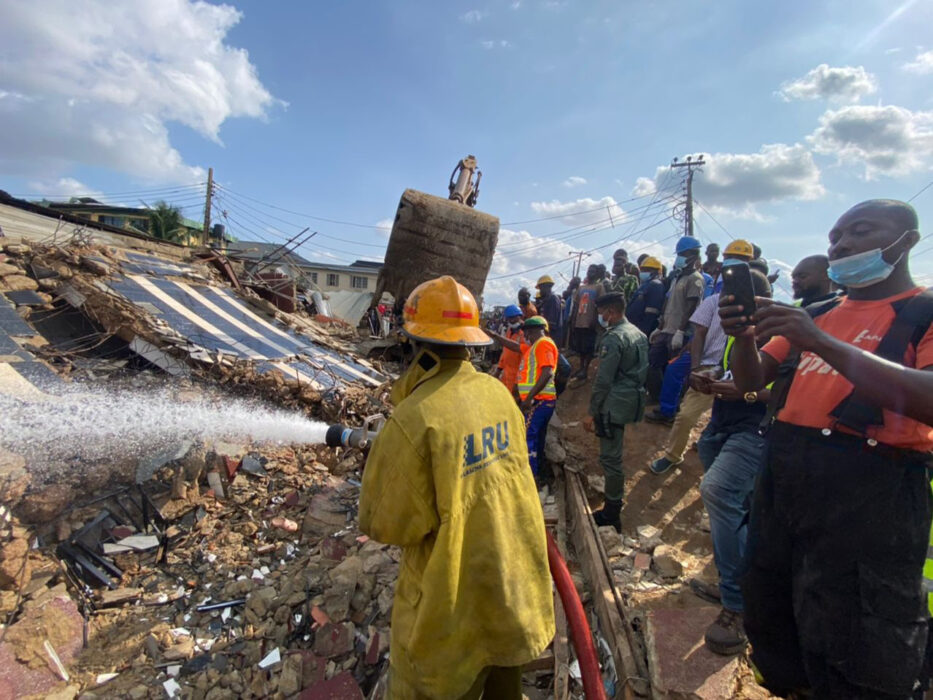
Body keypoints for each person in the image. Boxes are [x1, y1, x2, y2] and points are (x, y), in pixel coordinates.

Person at [720, 199, 933, 698]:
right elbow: (751, 384)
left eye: (860, 231)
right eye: (835, 236)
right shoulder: (816, 312)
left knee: (858, 634)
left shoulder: (922, 310)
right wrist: (744, 339)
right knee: (774, 606)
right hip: (786, 481)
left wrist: (821, 344)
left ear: (907, 241)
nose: (841, 244)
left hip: (871, 493)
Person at [359, 276, 555, 700]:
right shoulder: (499, 394)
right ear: (471, 343)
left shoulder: (414, 419)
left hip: (452, 622)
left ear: (414, 344)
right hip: (510, 595)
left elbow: (386, 525)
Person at [693, 269, 773, 656]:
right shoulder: (737, 337)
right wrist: (710, 380)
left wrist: (739, 393)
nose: (726, 303)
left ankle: (738, 604)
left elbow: (769, 392)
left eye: (734, 298)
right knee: (737, 510)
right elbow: (736, 377)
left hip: (754, 431)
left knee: (719, 492)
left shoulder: (782, 336)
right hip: (721, 426)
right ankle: (734, 580)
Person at [647, 240, 755, 429]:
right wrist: (695, 365)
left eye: (739, 259)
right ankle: (667, 410)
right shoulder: (712, 296)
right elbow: (700, 329)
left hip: (729, 359)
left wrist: (681, 331)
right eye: (730, 258)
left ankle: (709, 430)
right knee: (673, 370)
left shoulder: (754, 299)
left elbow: (690, 306)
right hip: (701, 347)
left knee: (720, 395)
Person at [584, 292, 648, 532]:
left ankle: (612, 513)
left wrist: (591, 412)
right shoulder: (638, 334)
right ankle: (613, 503)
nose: (601, 318)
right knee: (614, 453)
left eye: (602, 314)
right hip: (631, 400)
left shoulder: (614, 339)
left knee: (610, 457)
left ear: (611, 312)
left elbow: (603, 380)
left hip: (613, 403)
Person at [646, 236, 705, 403]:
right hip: (666, 330)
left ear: (693, 255)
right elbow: (667, 302)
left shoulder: (696, 279)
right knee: (652, 363)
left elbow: (691, 306)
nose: (679, 257)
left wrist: (680, 331)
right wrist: (660, 326)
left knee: (673, 370)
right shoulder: (677, 278)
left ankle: (672, 406)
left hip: (681, 332)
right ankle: (656, 397)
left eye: (682, 254)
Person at [515, 316, 559, 482]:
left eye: (527, 333)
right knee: (538, 437)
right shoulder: (535, 347)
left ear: (532, 331)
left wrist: (529, 399)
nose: (527, 337)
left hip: (539, 401)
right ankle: (540, 473)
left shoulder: (543, 344)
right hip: (540, 401)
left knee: (528, 437)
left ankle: (530, 478)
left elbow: (547, 372)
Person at [569, 265, 606, 380]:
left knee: (588, 347)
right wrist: (573, 319)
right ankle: (581, 367)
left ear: (597, 273)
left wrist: (596, 320)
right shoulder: (581, 288)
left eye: (593, 271)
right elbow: (575, 305)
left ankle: (585, 369)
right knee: (580, 347)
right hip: (579, 321)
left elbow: (600, 305)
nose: (590, 273)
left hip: (590, 322)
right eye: (589, 271)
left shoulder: (599, 287)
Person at [485, 304, 525, 393]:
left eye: (513, 318)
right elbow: (505, 352)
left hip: (517, 377)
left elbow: (524, 360)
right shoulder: (509, 331)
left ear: (520, 316)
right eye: (509, 319)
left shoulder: (525, 334)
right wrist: (499, 370)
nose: (510, 321)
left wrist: (517, 382)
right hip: (506, 375)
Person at [626, 256, 666, 337]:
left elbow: (651, 314)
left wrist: (641, 334)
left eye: (647, 270)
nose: (643, 272)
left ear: (656, 271)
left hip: (641, 332)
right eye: (642, 269)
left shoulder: (656, 285)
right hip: (632, 328)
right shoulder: (645, 285)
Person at [535, 274, 563, 345]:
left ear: (547, 286)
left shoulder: (553, 299)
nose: (540, 291)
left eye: (540, 288)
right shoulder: (546, 300)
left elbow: (551, 322)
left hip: (552, 335)